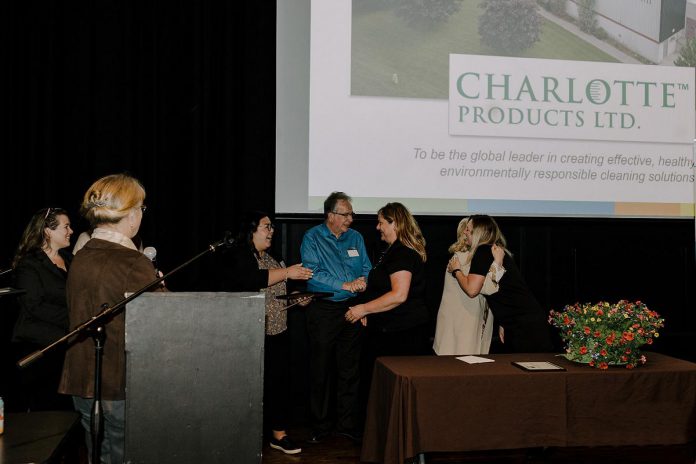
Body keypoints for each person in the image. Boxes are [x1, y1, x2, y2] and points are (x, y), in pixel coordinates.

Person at [58, 173, 163, 464]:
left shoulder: (81, 256)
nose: (141, 215)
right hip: (118, 380)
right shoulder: (133, 262)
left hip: (81, 377)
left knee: (96, 452)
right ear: (130, 214)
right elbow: (164, 323)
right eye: (141, 209)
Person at [218, 211, 313, 455]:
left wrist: (297, 297)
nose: (271, 231)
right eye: (266, 227)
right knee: (248, 386)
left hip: (277, 331)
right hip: (249, 335)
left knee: (279, 383)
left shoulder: (273, 257)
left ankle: (278, 436)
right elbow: (252, 279)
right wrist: (288, 273)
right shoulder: (238, 255)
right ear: (251, 231)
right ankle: (240, 435)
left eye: (272, 227)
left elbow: (279, 287)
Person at [300, 192, 371, 443]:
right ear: (331, 215)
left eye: (351, 214)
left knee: (349, 369)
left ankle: (347, 424)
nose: (350, 219)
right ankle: (320, 424)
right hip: (324, 310)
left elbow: (366, 267)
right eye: (346, 214)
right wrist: (345, 285)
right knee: (320, 369)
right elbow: (313, 274)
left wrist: (362, 284)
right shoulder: (312, 237)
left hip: (352, 309)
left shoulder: (356, 237)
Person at [446, 215, 553, 353]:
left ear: (478, 233)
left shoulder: (483, 251)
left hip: (525, 326)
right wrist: (503, 322)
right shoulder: (494, 251)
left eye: (468, 230)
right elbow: (497, 287)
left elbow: (472, 290)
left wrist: (456, 270)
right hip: (525, 323)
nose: (465, 233)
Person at [344, 202, 430, 357]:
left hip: (401, 334)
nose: (377, 228)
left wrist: (363, 309)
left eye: (381, 223)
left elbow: (399, 295)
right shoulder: (393, 251)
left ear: (394, 224)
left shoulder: (402, 253)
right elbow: (384, 286)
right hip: (391, 330)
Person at [11, 207, 74, 411]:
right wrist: (75, 319)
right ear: (47, 231)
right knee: (47, 409)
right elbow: (34, 306)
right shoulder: (29, 263)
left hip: (68, 342)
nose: (71, 231)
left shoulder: (70, 259)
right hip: (40, 346)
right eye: (66, 226)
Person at [432, 217, 506, 355]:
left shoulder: (470, 257)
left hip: (470, 321)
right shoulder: (461, 257)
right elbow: (485, 288)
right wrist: (498, 264)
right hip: (462, 323)